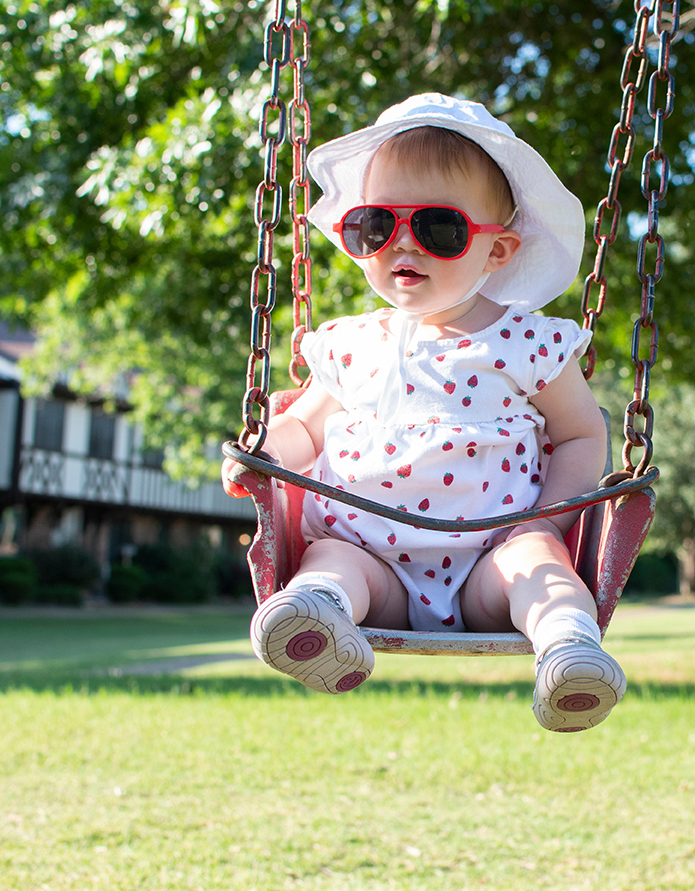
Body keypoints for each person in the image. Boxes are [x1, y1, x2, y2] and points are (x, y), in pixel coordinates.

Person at [224, 93, 625, 732]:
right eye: (374, 227)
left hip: (490, 554)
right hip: (368, 553)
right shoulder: (351, 342)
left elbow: (581, 433)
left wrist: (547, 519)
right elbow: (305, 425)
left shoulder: (527, 343)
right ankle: (315, 621)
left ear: (497, 251)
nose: (401, 244)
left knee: (538, 569)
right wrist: (266, 456)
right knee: (329, 566)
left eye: (439, 228)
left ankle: (569, 650)